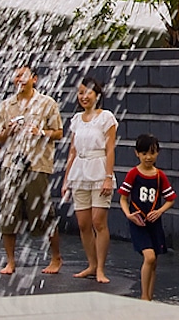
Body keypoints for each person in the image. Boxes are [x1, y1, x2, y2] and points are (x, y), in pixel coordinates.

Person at [0, 64, 63, 275]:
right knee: (8, 214)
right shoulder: (7, 106)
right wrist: (8, 130)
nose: (19, 80)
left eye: (23, 76)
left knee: (43, 212)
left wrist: (40, 131)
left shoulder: (47, 104)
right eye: (16, 77)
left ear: (34, 79)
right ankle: (10, 261)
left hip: (37, 165)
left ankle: (56, 257)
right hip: (11, 164)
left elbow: (59, 132)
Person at [61, 76, 117, 284]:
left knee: (98, 221)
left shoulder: (106, 118)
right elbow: (72, 151)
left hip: (99, 168)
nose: (84, 96)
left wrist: (108, 177)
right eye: (80, 92)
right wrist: (66, 179)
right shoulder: (76, 119)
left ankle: (101, 268)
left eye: (88, 92)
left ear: (97, 95)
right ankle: (91, 264)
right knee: (83, 223)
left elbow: (110, 149)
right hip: (79, 171)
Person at [118, 134, 176, 301]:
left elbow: (170, 199)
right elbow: (123, 197)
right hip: (138, 222)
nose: (148, 157)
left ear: (157, 153)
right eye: (144, 154)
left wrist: (159, 211)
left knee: (154, 261)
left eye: (152, 153)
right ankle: (144, 296)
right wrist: (129, 214)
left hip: (154, 222)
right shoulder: (133, 174)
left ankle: (150, 296)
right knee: (149, 256)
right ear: (137, 154)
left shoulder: (159, 176)